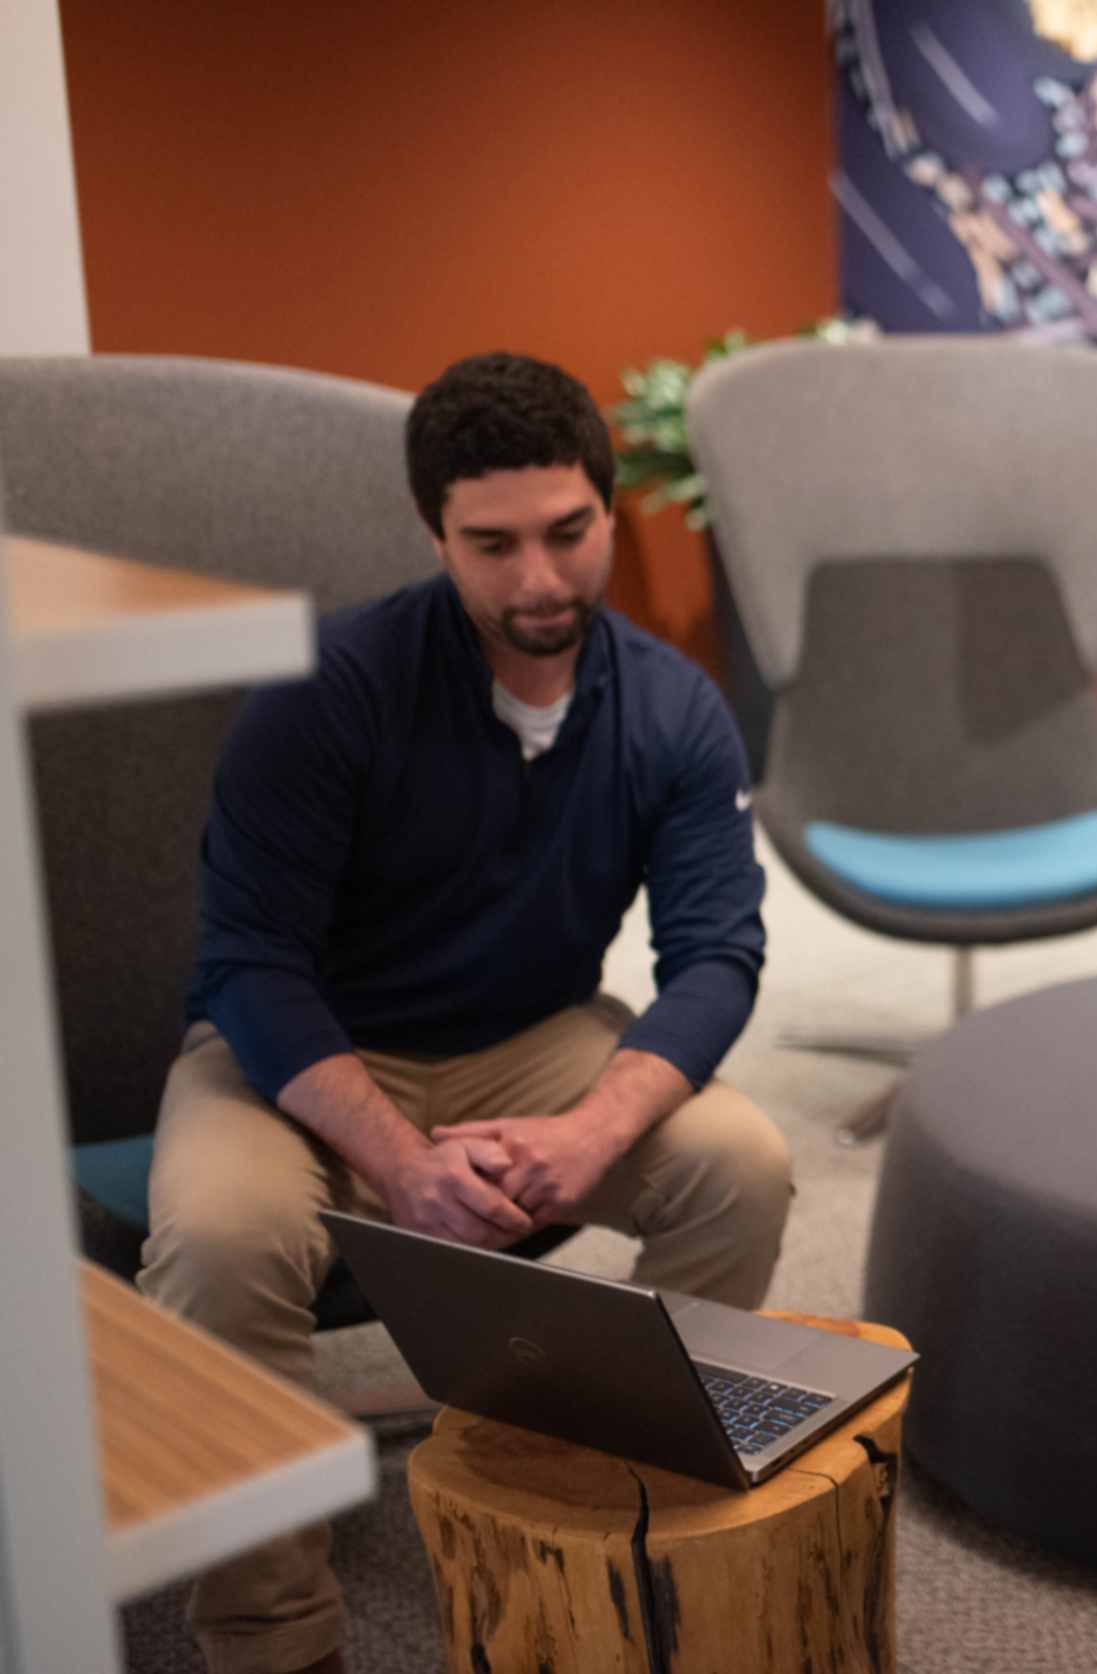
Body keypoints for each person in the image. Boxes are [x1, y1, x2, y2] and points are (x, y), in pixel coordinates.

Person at [138, 352, 792, 1674]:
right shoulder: (328, 688)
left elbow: (717, 953)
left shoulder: (673, 709)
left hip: (532, 1031)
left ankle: (609, 1519)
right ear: (434, 532)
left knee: (746, 1167)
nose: (538, 580)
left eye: (567, 533)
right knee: (215, 1240)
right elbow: (250, 962)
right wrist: (396, 1160)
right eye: (491, 545)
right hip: (312, 1041)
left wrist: (591, 1135)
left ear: (611, 512)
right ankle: (274, 1637)